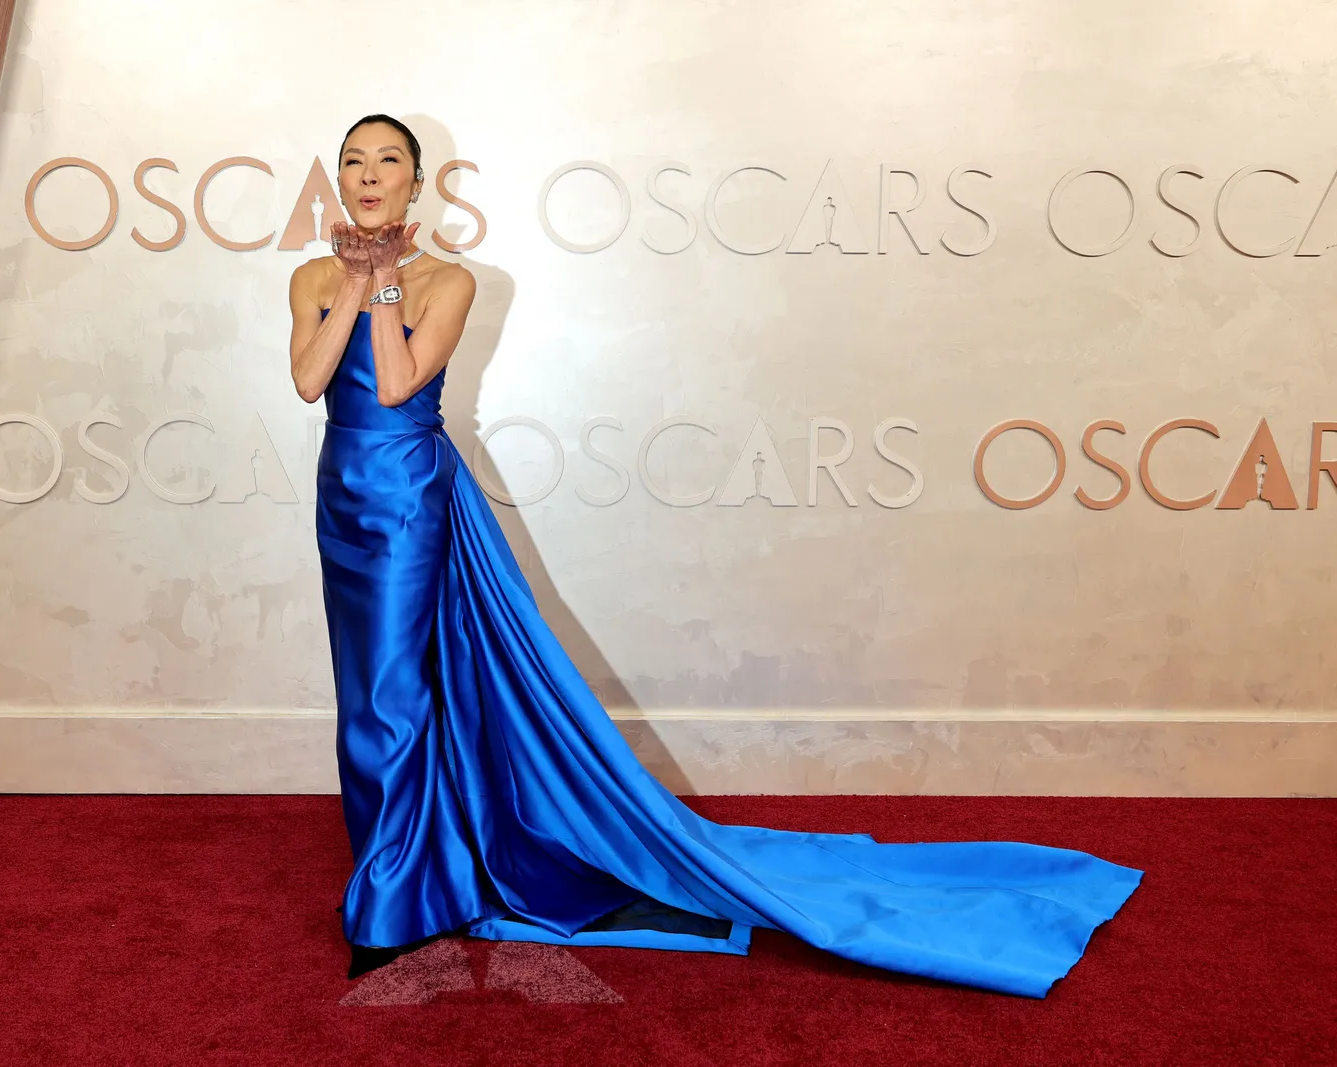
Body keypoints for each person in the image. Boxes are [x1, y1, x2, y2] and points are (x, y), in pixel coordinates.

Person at [287, 113, 1142, 996]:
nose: (368, 173)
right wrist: (354, 280)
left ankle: (390, 903)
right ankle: (427, 865)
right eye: (353, 160)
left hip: (412, 498)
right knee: (371, 688)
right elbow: (311, 381)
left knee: (392, 692)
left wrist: (386, 282)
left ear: (418, 182)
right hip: (343, 494)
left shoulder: (450, 280)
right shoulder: (312, 275)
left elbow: (393, 384)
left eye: (388, 160)